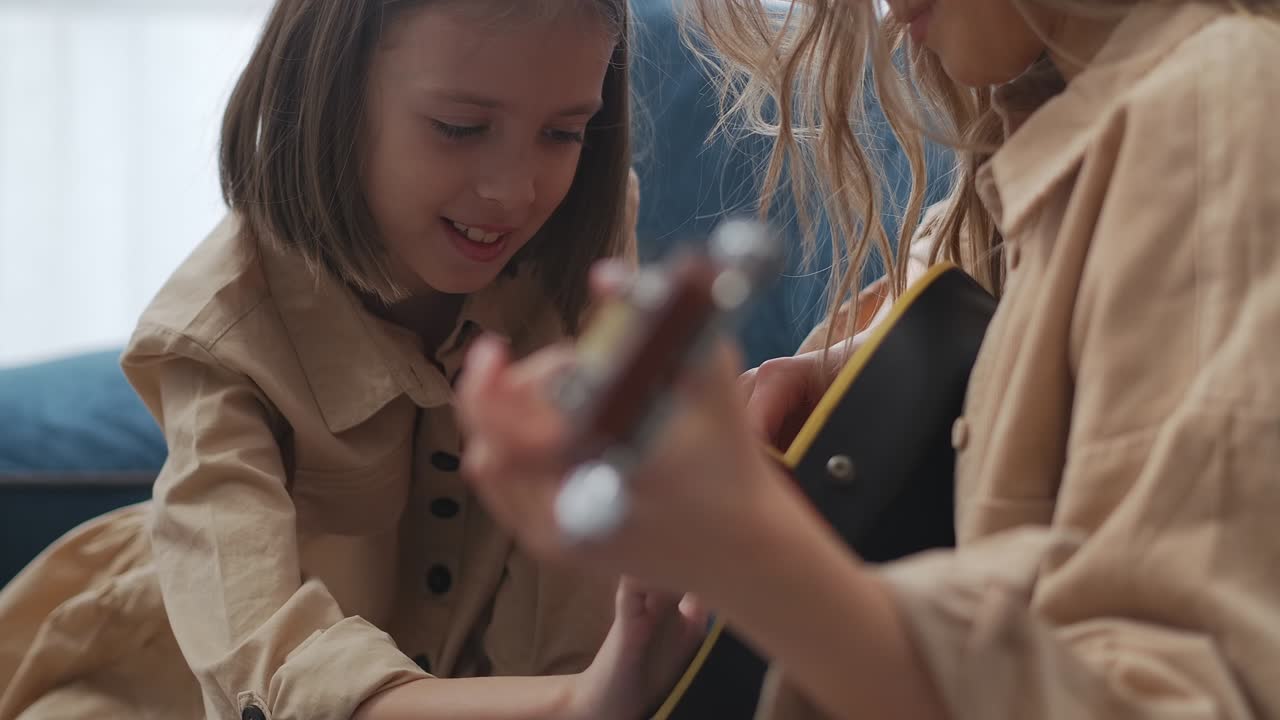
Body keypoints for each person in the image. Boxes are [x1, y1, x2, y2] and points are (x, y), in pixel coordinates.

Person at [456, 0, 1280, 718]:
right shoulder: (1039, 124)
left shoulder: (1217, 111)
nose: (882, 13)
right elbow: (1028, 307)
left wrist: (743, 546)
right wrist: (862, 371)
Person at [0, 1, 706, 719]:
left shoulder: (584, 231)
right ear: (327, 97)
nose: (513, 190)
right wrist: (572, 702)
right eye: (460, 128)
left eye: (563, 133)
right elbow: (270, 675)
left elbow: (573, 586)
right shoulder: (212, 336)